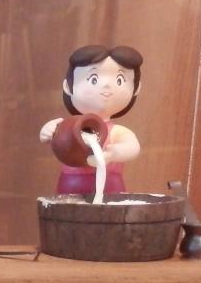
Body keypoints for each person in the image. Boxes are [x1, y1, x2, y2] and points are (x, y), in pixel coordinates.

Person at [38, 44, 143, 195]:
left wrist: (114, 153)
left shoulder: (117, 131)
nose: (106, 85)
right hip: (70, 183)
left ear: (136, 89)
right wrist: (47, 131)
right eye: (93, 79)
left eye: (119, 80)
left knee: (111, 209)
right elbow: (46, 136)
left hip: (109, 185)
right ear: (68, 86)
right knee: (66, 209)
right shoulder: (65, 126)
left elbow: (133, 147)